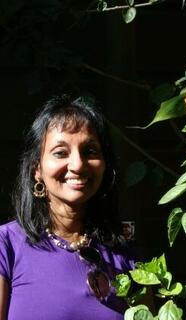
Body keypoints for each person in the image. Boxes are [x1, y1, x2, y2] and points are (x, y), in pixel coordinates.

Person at [0, 95, 137, 320]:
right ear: (37, 169)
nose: (78, 165)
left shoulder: (126, 257)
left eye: (90, 151)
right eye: (61, 153)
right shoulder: (6, 246)